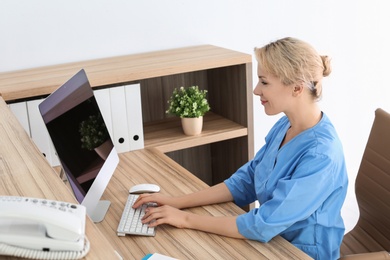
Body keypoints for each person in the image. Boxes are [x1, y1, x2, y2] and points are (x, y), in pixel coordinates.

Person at [133, 37, 348, 260]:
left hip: (299, 252)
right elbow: (247, 180)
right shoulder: (287, 125)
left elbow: (262, 224)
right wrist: (177, 202)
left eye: (264, 82)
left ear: (296, 88)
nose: (256, 90)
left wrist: (185, 219)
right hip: (271, 240)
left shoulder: (321, 155)